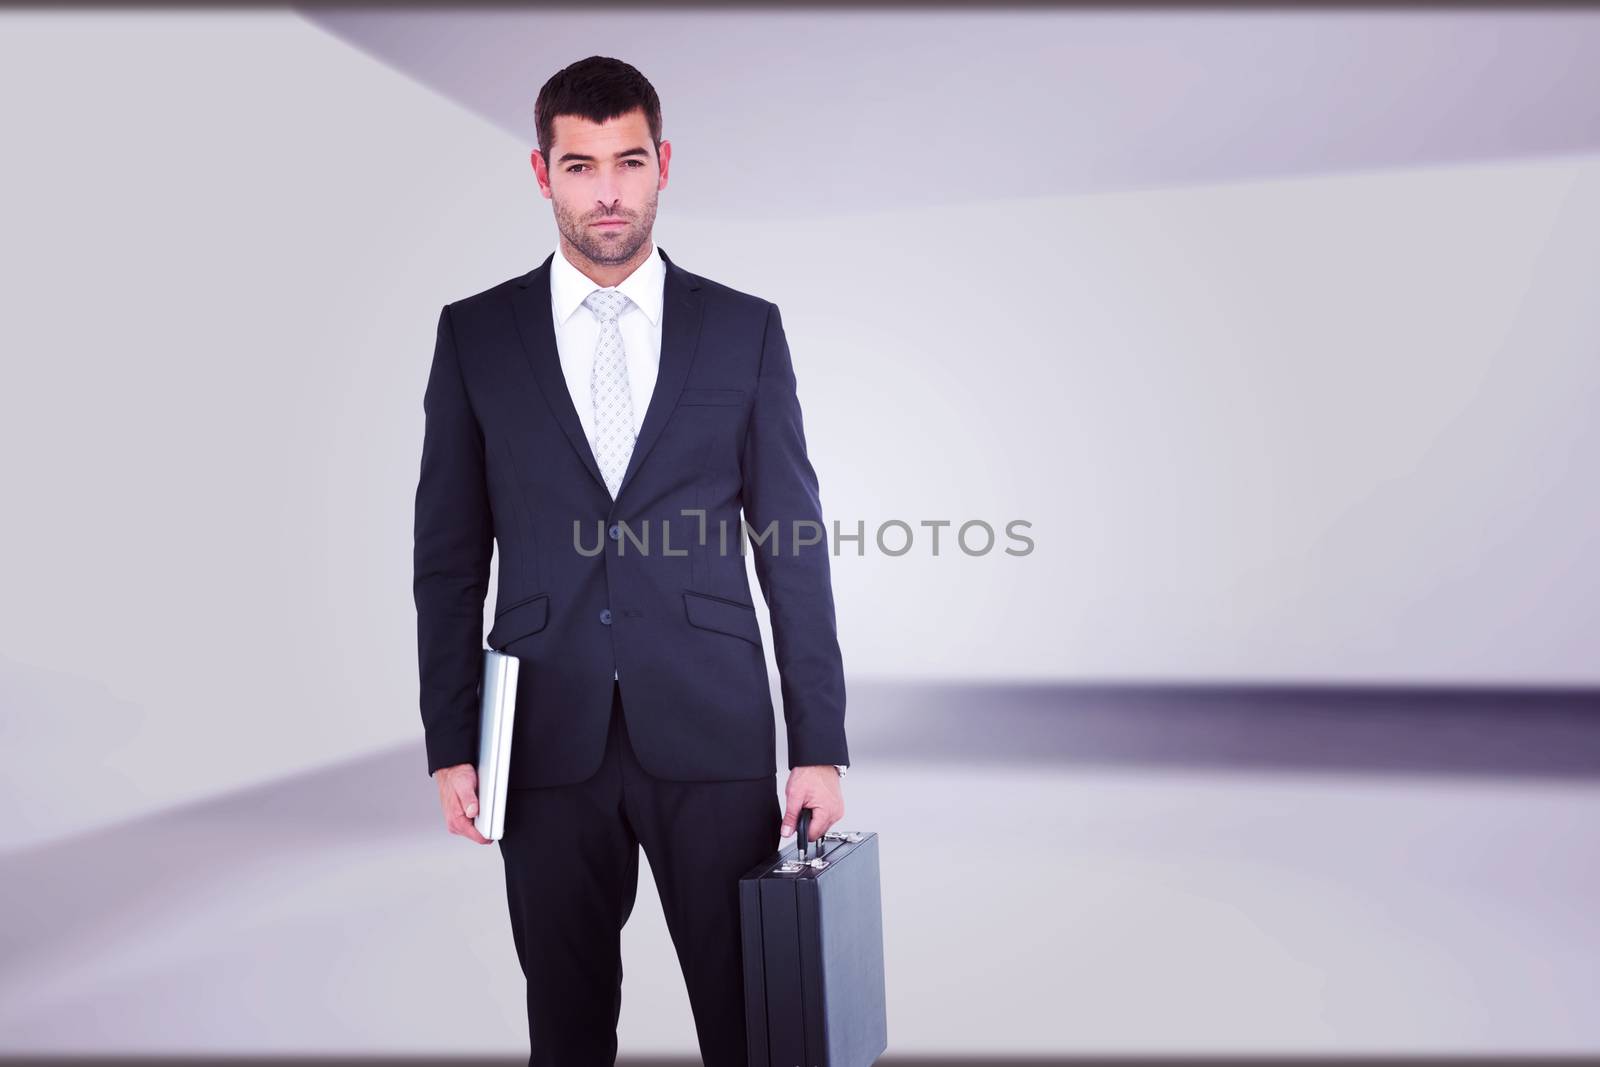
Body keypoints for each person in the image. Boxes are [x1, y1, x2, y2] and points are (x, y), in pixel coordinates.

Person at [411, 55, 850, 1066]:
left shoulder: (742, 331)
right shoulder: (476, 335)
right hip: (544, 737)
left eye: (627, 161)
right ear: (540, 173)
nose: (606, 190)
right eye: (579, 165)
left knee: (754, 1026)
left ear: (662, 165)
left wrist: (817, 740)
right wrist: (451, 738)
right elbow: (445, 555)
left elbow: (793, 546)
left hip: (712, 729)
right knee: (566, 1031)